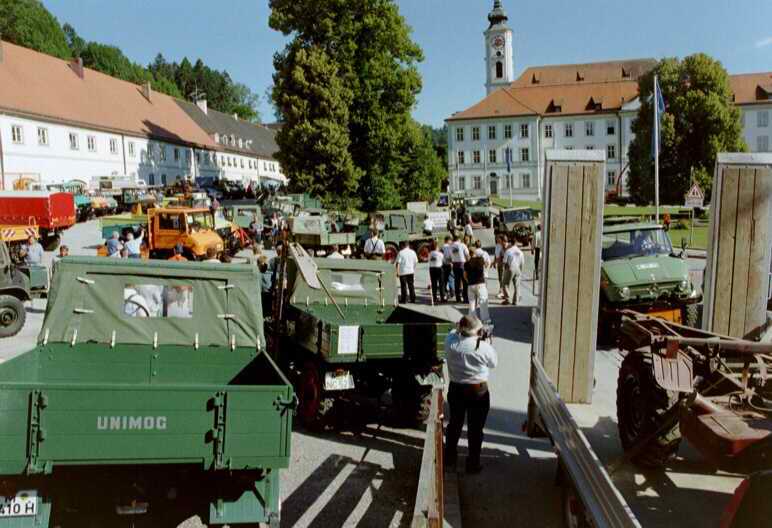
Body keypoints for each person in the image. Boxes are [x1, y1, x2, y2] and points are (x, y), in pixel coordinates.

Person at [444, 315, 498, 474]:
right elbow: (493, 363)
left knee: (455, 424)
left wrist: (459, 327)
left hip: (456, 389)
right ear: (477, 331)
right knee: (475, 429)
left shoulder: (450, 342)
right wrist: (488, 342)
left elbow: (453, 331)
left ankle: (449, 458)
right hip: (477, 391)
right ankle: (473, 463)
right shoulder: (483, 347)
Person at [465, 248, 490, 323]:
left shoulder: (466, 263)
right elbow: (487, 264)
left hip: (470, 285)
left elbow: (465, 275)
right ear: (475, 253)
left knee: (472, 304)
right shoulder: (480, 260)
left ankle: (472, 321)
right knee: (483, 302)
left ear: (469, 254)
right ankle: (485, 320)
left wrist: (468, 281)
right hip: (480, 284)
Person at [450, 234, 470, 303]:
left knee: (457, 282)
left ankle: (458, 298)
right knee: (465, 282)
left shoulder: (451, 246)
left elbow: (450, 256)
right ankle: (465, 298)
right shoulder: (462, 245)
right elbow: (467, 255)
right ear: (459, 239)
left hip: (455, 265)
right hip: (462, 264)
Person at [442, 235, 455, 300]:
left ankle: (445, 293)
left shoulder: (442, 247)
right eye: (451, 240)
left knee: (444, 280)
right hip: (449, 264)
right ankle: (452, 293)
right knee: (451, 279)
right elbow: (450, 256)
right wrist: (452, 261)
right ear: (448, 240)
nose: (451, 242)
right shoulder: (449, 247)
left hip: (443, 265)